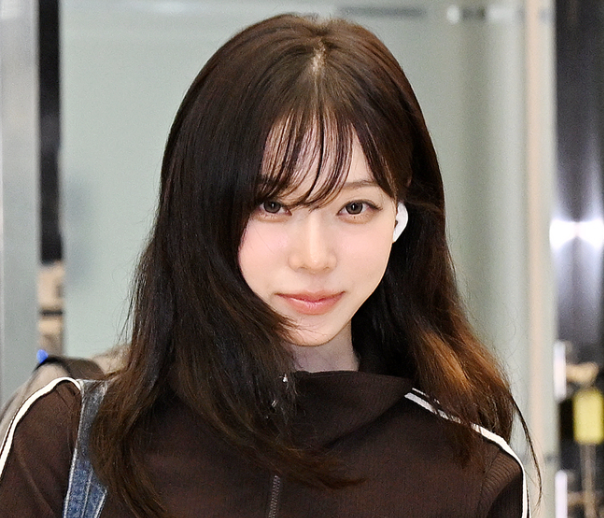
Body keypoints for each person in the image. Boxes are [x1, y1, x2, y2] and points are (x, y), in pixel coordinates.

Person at [0, 13, 534, 517]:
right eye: (273, 205)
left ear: (400, 216)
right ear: (203, 209)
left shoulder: (468, 476)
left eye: (355, 208)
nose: (314, 258)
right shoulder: (68, 444)